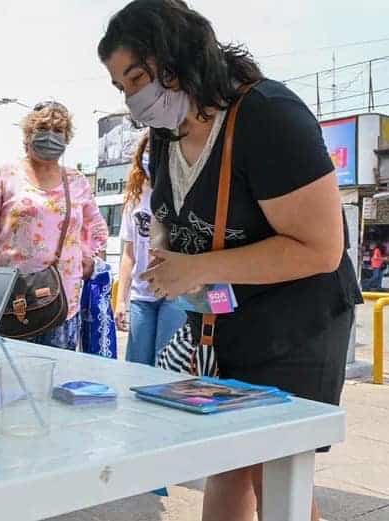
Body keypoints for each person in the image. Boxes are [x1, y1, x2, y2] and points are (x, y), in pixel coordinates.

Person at [98, 2, 362, 521]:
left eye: (137, 78)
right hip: (227, 318)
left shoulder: (268, 115)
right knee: (225, 458)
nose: (133, 100)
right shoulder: (165, 136)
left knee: (271, 468)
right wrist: (170, 253)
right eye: (121, 88)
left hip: (296, 321)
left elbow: (321, 248)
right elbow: (175, 214)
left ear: (177, 56)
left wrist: (198, 269)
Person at [0, 101, 109, 350]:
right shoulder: (3, 176)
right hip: (12, 304)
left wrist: (87, 261)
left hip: (62, 306)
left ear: (66, 139)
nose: (50, 136)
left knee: (57, 381)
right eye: (42, 129)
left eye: (58, 131)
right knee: (9, 383)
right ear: (28, 135)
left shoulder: (77, 181)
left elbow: (96, 231)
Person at [115, 131, 185, 365]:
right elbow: (128, 255)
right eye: (147, 150)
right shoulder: (135, 198)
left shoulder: (180, 192)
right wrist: (121, 300)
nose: (150, 156)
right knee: (136, 366)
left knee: (165, 365)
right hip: (141, 295)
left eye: (156, 150)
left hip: (173, 292)